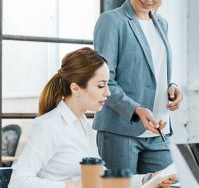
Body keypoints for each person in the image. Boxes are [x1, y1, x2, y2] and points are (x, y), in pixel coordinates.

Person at [9, 47, 176, 188]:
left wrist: (150, 179)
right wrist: (71, 186)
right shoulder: (49, 126)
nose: (108, 93)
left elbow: (101, 180)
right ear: (75, 88)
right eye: (101, 85)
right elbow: (18, 182)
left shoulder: (83, 126)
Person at [92, 0, 183, 174]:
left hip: (159, 130)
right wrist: (136, 109)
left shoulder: (162, 24)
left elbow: (154, 70)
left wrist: (172, 86)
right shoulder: (111, 22)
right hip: (120, 131)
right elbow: (104, 81)